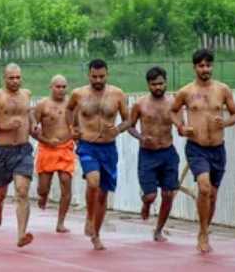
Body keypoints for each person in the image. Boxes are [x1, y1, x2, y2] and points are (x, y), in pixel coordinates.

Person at [170, 49, 235, 253]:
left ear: (212, 66)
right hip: (196, 148)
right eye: (201, 66)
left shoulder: (223, 90)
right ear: (194, 67)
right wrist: (181, 127)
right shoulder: (186, 92)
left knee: (213, 195)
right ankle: (202, 232)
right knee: (204, 187)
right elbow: (173, 111)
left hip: (218, 149)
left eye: (208, 65)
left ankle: (205, 228)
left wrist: (225, 122)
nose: (205, 69)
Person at [66, 59, 129, 251]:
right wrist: (72, 127)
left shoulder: (118, 94)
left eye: (101, 76)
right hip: (87, 145)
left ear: (107, 74)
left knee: (103, 194)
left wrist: (117, 129)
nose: (98, 80)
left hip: (108, 148)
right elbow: (69, 109)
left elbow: (128, 120)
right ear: (89, 75)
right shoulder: (79, 94)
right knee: (93, 182)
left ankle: (96, 234)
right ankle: (89, 217)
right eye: (94, 76)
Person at [0, 63, 35, 247]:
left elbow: (29, 114)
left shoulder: (26, 94)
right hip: (2, 152)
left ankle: (21, 235)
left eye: (18, 77)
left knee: (22, 191)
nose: (15, 81)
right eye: (11, 78)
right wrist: (4, 127)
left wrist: (34, 125)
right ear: (4, 78)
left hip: (23, 150)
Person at [127, 66, 181, 242]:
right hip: (148, 154)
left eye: (160, 83)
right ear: (148, 85)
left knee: (168, 194)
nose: (158, 87)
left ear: (166, 82)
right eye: (154, 84)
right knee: (151, 195)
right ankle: (146, 203)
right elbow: (129, 126)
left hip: (168, 152)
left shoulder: (173, 103)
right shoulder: (140, 104)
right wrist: (141, 137)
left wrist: (185, 129)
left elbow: (181, 124)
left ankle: (158, 229)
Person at [32, 75, 75, 233]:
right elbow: (32, 128)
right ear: (51, 87)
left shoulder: (71, 105)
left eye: (64, 87)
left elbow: (77, 126)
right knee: (43, 188)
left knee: (66, 182)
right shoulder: (43, 105)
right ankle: (43, 196)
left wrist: (72, 137)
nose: (61, 90)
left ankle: (61, 222)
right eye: (58, 87)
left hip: (65, 149)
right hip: (47, 149)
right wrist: (46, 140)